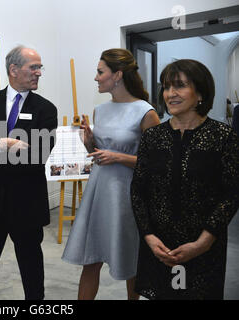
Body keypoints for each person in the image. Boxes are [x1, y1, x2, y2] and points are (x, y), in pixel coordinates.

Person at [131, 59, 239, 300]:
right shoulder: (153, 137)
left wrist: (203, 242)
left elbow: (231, 194)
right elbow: (138, 190)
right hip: (159, 245)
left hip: (202, 246)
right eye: (167, 87)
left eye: (179, 86)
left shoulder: (222, 137)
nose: (171, 94)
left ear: (200, 92)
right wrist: (148, 236)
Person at [62, 48, 160, 300]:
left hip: (128, 195)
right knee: (91, 259)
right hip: (99, 192)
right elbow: (99, 154)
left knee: (130, 259)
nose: (95, 78)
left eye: (99, 72)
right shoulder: (100, 111)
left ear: (117, 75)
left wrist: (118, 157)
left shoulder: (146, 112)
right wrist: (89, 142)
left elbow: (158, 164)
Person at [0, 46, 57, 300]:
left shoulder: (46, 109)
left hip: (27, 204)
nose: (39, 73)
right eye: (33, 67)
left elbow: (39, 154)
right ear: (13, 70)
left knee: (32, 274)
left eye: (40, 67)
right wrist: (0, 145)